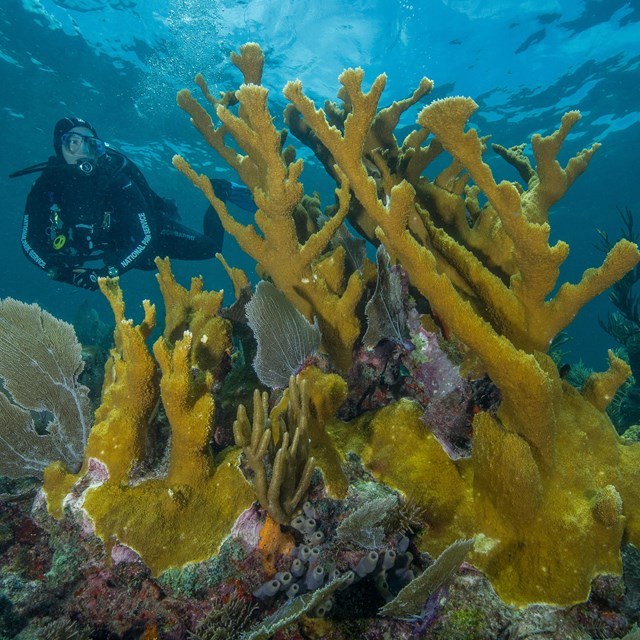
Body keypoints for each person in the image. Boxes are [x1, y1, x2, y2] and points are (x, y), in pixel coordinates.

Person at [12, 116, 254, 290]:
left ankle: (218, 191)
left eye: (90, 143)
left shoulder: (115, 179)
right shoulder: (45, 187)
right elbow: (28, 241)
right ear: (59, 146)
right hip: (116, 249)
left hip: (148, 234)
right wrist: (59, 271)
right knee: (146, 264)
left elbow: (146, 237)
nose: (82, 150)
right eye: (73, 142)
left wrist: (108, 273)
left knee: (211, 249)